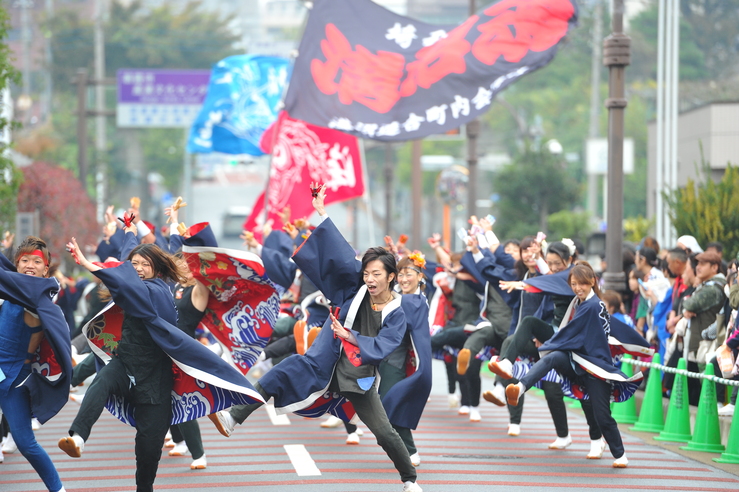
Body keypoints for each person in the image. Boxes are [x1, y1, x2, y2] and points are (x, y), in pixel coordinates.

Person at [208, 184, 423, 492]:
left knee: (384, 432)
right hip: (323, 359)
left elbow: (386, 345)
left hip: (356, 374)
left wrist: (350, 335)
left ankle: (409, 479)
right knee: (282, 370)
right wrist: (321, 212)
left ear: (391, 277)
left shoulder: (397, 310)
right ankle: (233, 418)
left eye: (377, 274)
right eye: (368, 273)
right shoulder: (356, 288)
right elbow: (341, 255)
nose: (370, 279)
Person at [60, 227, 265, 492]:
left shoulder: (156, 290)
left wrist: (89, 263)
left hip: (159, 377)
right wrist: (129, 233)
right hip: (125, 364)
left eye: (146, 264)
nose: (139, 268)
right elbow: (125, 265)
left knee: (148, 450)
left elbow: (126, 278)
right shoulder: (137, 284)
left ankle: (174, 468)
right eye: (136, 264)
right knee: (101, 381)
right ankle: (78, 437)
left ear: (157, 270)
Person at [505, 264, 644, 468]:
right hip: (576, 362)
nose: (578, 287)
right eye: (574, 284)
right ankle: (520, 387)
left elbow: (571, 334)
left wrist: (549, 344)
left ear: (592, 282)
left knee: (602, 415)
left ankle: (620, 454)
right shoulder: (579, 303)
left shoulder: (593, 306)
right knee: (554, 358)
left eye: (582, 283)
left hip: (596, 369)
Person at [0, 236, 72, 492]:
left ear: (46, 268)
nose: (30, 264)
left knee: (26, 443)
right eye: (24, 260)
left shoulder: (39, 297)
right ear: (16, 265)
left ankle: (58, 489)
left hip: (13, 377)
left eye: (36, 261)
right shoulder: (11, 288)